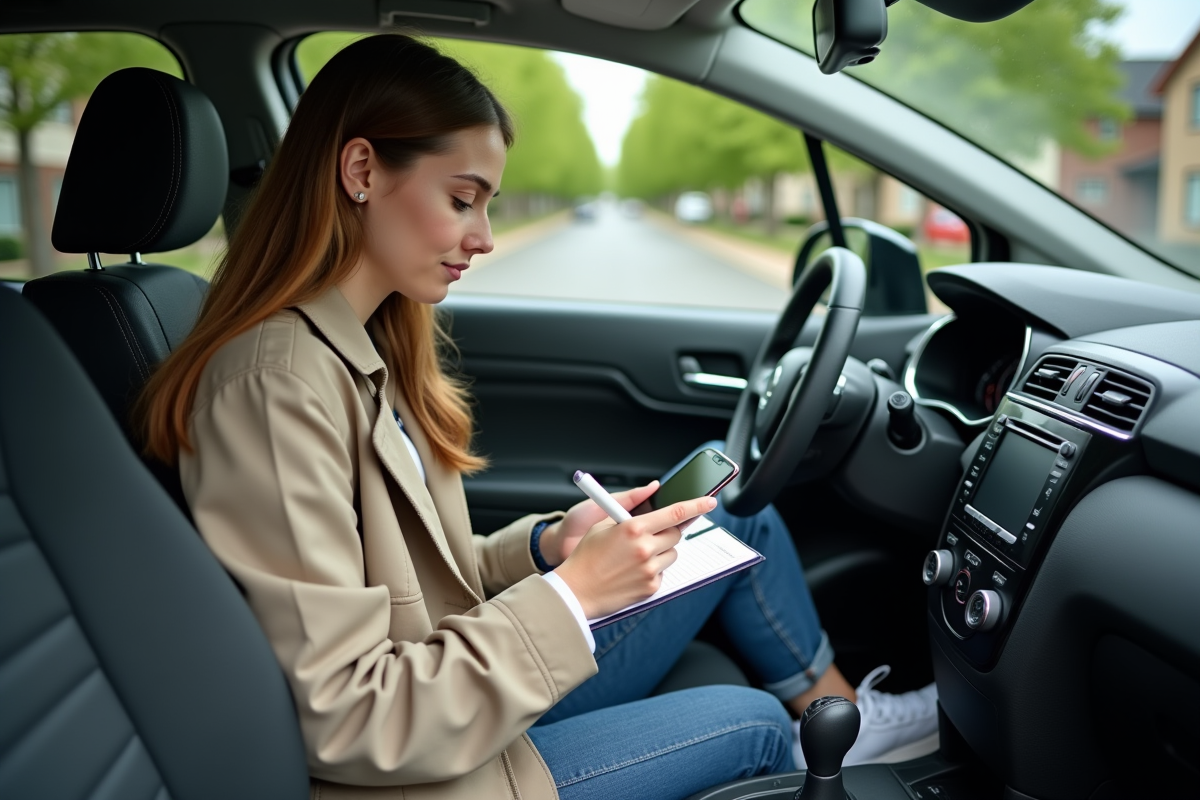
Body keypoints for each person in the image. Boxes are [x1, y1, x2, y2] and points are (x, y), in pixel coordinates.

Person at [138, 34, 936, 800]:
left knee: (727, 518)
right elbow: (349, 717)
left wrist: (550, 547)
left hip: (458, 692)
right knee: (756, 723)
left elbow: (418, 582)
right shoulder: (276, 386)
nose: (484, 237)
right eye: (462, 200)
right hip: (418, 769)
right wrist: (572, 596)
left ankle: (851, 723)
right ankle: (835, 741)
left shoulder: (364, 347)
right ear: (361, 171)